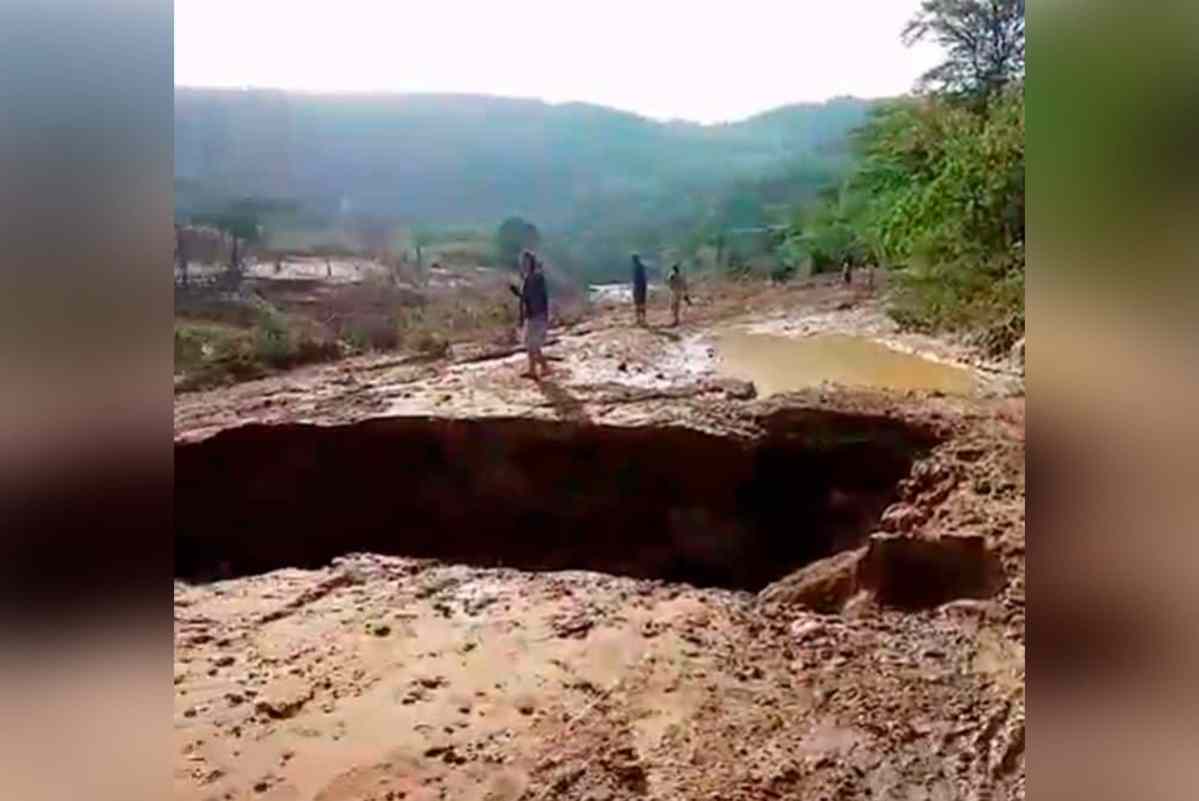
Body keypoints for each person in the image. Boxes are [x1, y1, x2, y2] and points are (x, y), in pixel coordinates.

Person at [518, 250, 551, 380]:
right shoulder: (531, 278)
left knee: (532, 344)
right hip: (533, 314)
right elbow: (527, 298)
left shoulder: (535, 278)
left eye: (525, 262)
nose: (523, 264)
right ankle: (537, 369)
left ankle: (542, 367)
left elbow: (536, 298)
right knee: (531, 344)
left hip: (536, 315)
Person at [631, 253, 648, 326]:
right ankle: (642, 319)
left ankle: (639, 319)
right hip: (642, 286)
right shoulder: (641, 266)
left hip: (639, 286)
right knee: (642, 303)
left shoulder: (637, 267)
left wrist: (635, 286)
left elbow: (637, 279)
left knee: (638, 303)